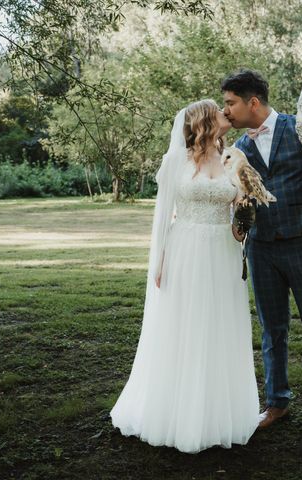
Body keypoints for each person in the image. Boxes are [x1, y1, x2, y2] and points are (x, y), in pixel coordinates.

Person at [110, 99, 260, 454]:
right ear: (204, 122)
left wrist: (244, 213)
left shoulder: (233, 159)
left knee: (218, 326)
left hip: (222, 251)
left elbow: (239, 220)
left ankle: (215, 413)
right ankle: (177, 412)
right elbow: (163, 216)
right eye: (218, 112)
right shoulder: (174, 161)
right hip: (185, 250)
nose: (226, 114)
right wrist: (159, 261)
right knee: (184, 326)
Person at [222, 69, 302, 439]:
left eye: (231, 103)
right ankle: (276, 402)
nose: (226, 110)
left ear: (252, 102)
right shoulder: (239, 148)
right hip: (262, 250)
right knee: (271, 331)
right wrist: (240, 219)